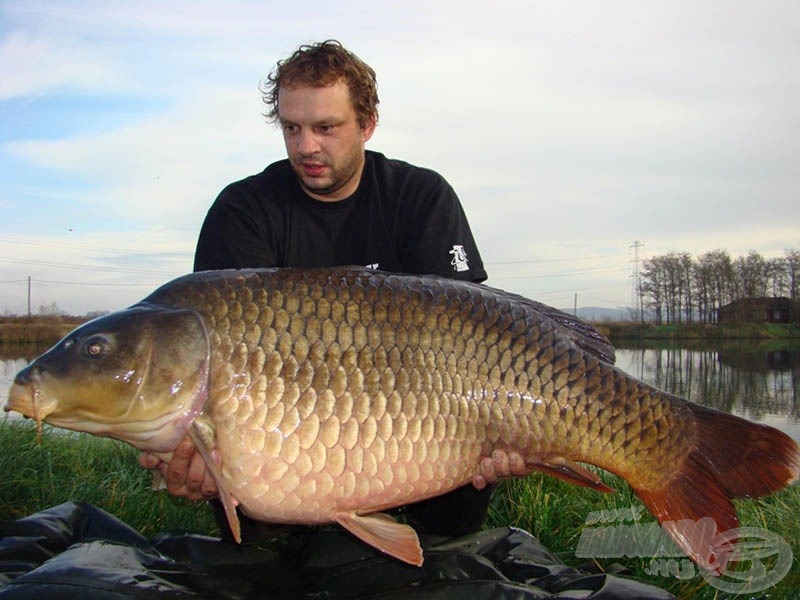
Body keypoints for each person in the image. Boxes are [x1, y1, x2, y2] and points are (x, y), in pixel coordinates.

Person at [140, 40, 525, 540]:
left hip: (431, 449)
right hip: (291, 462)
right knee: (253, 505)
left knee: (468, 464)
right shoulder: (244, 210)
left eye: (326, 128)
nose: (306, 147)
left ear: (366, 125)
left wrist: (507, 437)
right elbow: (225, 371)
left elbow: (474, 342)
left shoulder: (421, 197)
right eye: (291, 128)